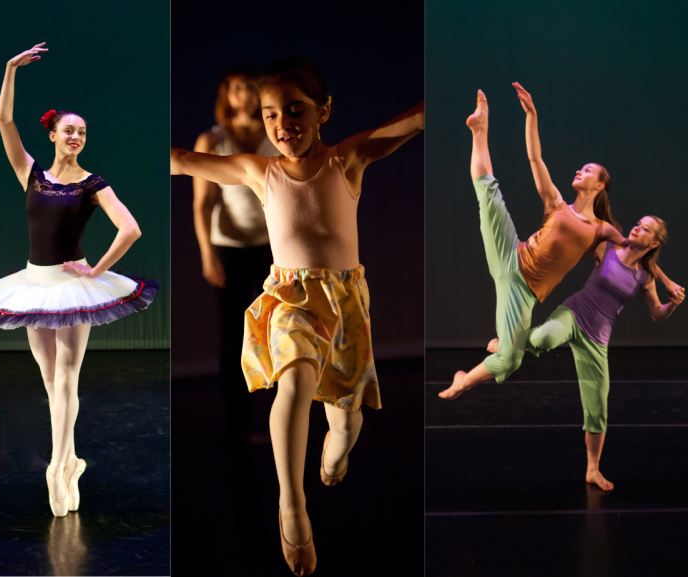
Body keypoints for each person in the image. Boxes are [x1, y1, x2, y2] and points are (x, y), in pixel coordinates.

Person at [171, 57, 423, 576]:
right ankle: (293, 505)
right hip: (289, 299)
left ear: (323, 111)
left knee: (346, 419)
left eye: (295, 110)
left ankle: (337, 451)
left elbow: (414, 121)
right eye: (270, 115)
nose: (282, 124)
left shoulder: (346, 161)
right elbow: (181, 160)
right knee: (295, 383)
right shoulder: (257, 171)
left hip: (345, 305)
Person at [0, 43, 157, 518]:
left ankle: (55, 468)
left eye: (82, 132)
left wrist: (95, 271)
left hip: (73, 289)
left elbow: (130, 228)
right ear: (52, 134)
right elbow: (4, 123)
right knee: (51, 382)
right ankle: (70, 460)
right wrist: (10, 68)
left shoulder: (93, 184)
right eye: (68, 130)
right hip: (34, 285)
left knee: (67, 379)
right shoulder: (30, 174)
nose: (76, 136)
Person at [438, 82, 681, 400]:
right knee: (488, 193)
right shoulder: (556, 203)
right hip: (511, 254)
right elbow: (535, 158)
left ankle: (463, 380)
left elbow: (639, 251)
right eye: (581, 168)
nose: (580, 170)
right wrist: (531, 115)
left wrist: (665, 281)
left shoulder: (603, 231)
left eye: (588, 170)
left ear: (601, 185)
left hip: (522, 292)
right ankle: (479, 127)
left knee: (510, 360)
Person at [486, 216, 683, 491]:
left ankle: (593, 470)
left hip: (598, 340)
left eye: (646, 229)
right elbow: (575, 240)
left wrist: (672, 304)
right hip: (573, 313)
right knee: (543, 337)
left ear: (654, 243)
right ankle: (509, 343)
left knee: (598, 407)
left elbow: (656, 314)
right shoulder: (606, 248)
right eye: (639, 223)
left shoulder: (645, 276)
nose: (638, 227)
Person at [191, 64, 278, 444]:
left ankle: (280, 418)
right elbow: (202, 204)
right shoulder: (212, 140)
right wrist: (207, 254)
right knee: (234, 335)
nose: (244, 94)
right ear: (226, 95)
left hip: (272, 249)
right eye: (237, 88)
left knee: (278, 333)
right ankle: (237, 424)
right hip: (229, 250)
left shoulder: (275, 136)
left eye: (251, 87)